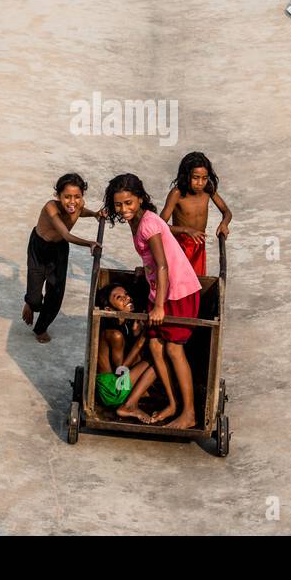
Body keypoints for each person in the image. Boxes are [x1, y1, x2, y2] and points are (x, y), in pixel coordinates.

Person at [103, 173, 202, 429]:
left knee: (173, 349)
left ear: (140, 199)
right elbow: (157, 254)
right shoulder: (138, 221)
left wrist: (158, 306)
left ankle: (188, 412)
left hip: (178, 291)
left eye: (128, 203)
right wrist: (143, 268)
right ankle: (171, 404)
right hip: (160, 288)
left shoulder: (146, 222)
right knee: (156, 347)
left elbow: (163, 264)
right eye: (118, 204)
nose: (123, 209)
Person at [23, 173, 103, 343]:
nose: (72, 202)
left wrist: (95, 214)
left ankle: (41, 328)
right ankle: (30, 303)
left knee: (56, 293)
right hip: (39, 247)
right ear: (58, 196)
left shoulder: (78, 205)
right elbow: (66, 234)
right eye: (67, 197)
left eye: (77, 197)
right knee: (35, 297)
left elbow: (80, 211)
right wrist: (89, 243)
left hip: (59, 250)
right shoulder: (50, 207)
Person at [160, 152, 232, 276]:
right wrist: (186, 230)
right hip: (180, 246)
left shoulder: (208, 189)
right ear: (186, 176)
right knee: (179, 282)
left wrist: (224, 223)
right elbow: (159, 226)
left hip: (199, 245)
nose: (200, 183)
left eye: (204, 178)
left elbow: (227, 211)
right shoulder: (177, 193)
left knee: (197, 281)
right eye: (195, 178)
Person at [93, 284, 158, 418]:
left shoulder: (124, 325)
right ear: (108, 309)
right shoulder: (114, 334)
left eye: (126, 294)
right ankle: (130, 406)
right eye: (119, 298)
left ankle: (138, 394)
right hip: (112, 390)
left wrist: (135, 335)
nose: (127, 298)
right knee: (157, 361)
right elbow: (121, 370)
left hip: (115, 385)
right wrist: (140, 339)